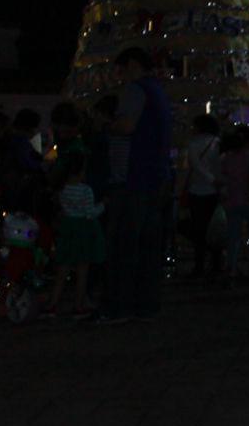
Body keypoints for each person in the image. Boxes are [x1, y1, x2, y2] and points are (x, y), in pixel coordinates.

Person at [98, 47, 173, 323]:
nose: (118, 77)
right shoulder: (158, 91)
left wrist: (106, 124)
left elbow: (126, 126)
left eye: (119, 70)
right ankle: (146, 305)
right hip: (155, 177)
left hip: (134, 178)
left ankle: (119, 306)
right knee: (149, 247)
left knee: (124, 245)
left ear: (131, 65)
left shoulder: (136, 90)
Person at [43, 152, 105, 319]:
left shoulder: (62, 190)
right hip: (82, 230)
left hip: (68, 228)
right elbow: (89, 212)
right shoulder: (85, 190)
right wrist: (104, 205)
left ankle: (52, 304)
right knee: (82, 270)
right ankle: (78, 305)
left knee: (62, 269)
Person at [219, 125, 249, 280]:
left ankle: (230, 269)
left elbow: (223, 180)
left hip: (232, 202)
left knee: (233, 238)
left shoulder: (226, 158)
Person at [180, 113, 223, 277]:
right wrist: (216, 181)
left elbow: (195, 165)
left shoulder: (193, 144)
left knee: (198, 230)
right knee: (214, 228)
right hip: (214, 193)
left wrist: (209, 179)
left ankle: (199, 265)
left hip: (197, 191)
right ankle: (216, 263)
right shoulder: (216, 143)